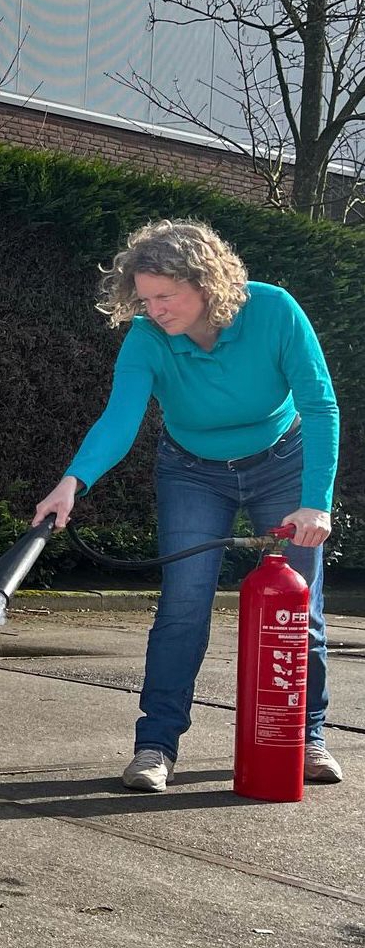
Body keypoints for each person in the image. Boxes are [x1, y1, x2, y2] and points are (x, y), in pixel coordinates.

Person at [32, 218, 341, 792]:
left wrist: (314, 504)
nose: (153, 310)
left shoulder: (273, 311)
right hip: (193, 472)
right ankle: (155, 748)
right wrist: (74, 480)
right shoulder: (148, 337)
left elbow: (320, 406)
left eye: (164, 296)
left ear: (206, 283)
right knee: (182, 606)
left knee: (300, 610)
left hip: (282, 462)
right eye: (144, 298)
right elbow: (120, 418)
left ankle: (306, 737)